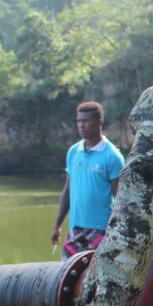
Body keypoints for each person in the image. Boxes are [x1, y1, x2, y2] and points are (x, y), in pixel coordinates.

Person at [50, 101, 126, 260]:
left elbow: (121, 200)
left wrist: (119, 233)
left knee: (96, 279)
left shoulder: (112, 156)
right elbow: (67, 192)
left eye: (86, 121)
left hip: (101, 230)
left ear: (99, 122)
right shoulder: (73, 152)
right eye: (79, 121)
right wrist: (57, 226)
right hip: (76, 230)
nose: (81, 125)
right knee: (67, 275)